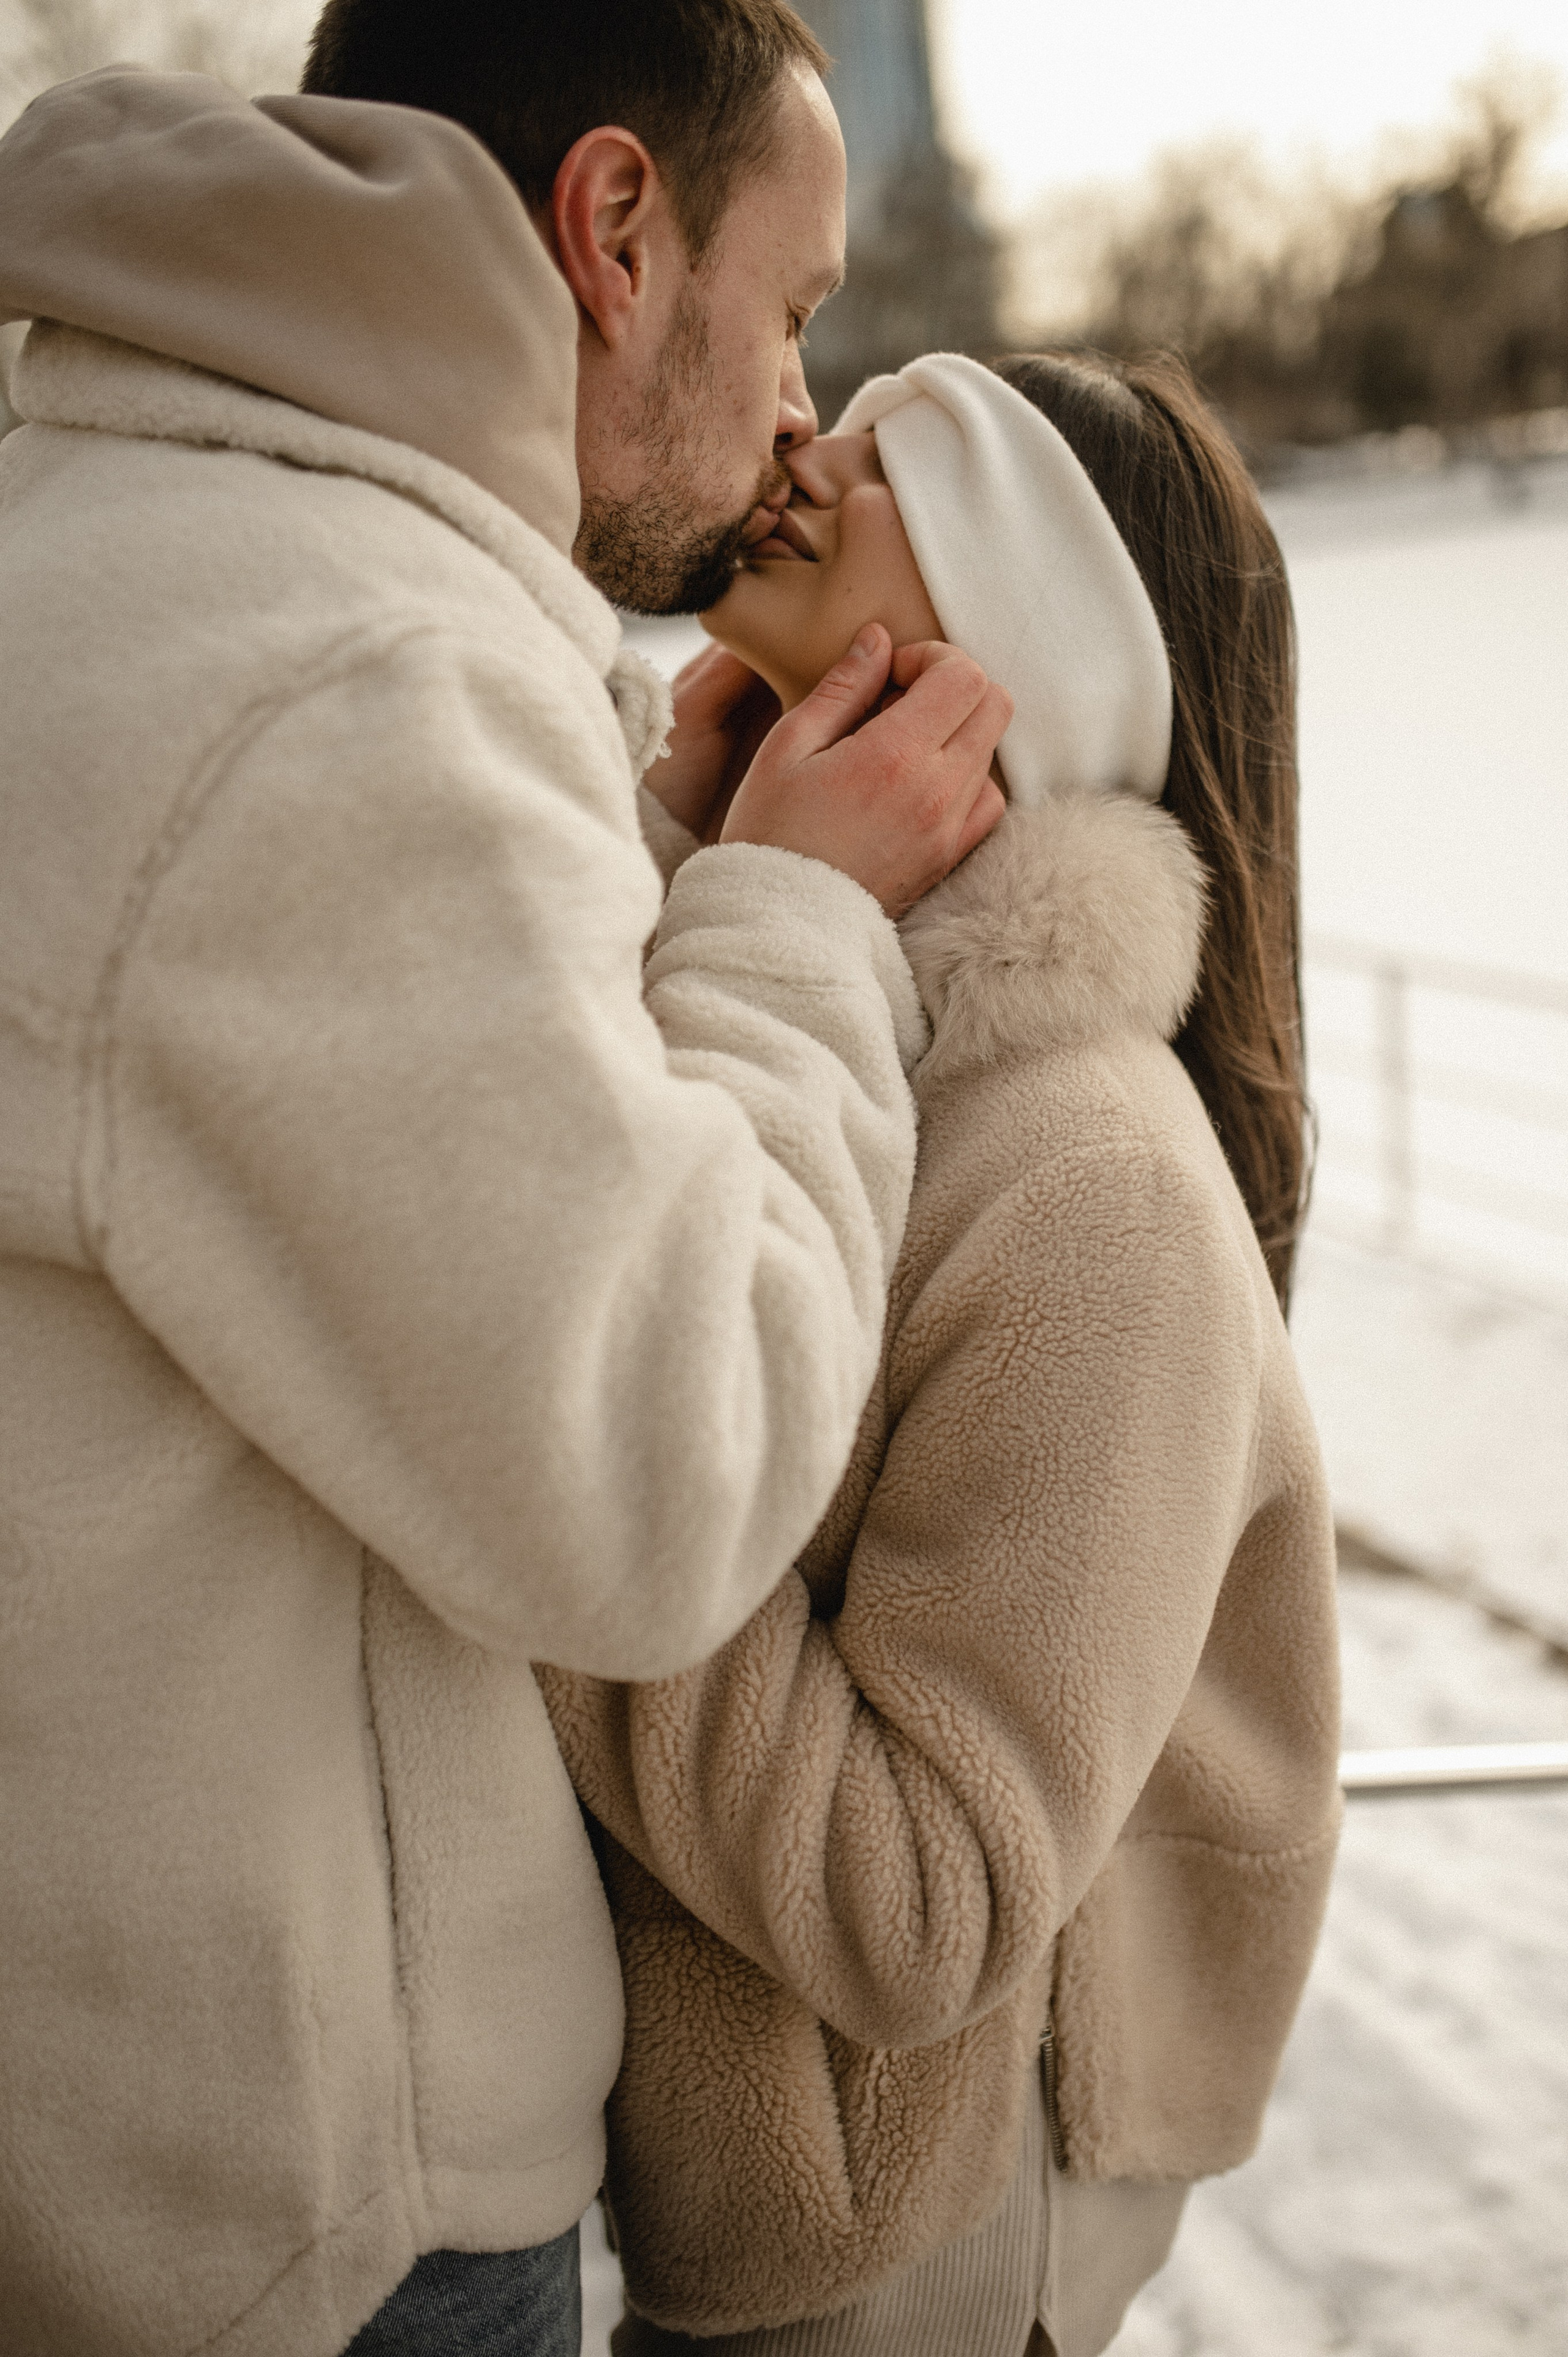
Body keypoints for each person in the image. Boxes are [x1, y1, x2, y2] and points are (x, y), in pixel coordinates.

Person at [0, 4, 1014, 2351]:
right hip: (300, 2232)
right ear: (618, 230)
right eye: (794, 307)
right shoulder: (344, 672)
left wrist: (656, 852)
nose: (802, 412)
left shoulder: (143, 531)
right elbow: (666, 1473)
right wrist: (803, 913)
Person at [540, 351, 1344, 2357]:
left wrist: (552, 1488)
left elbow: (927, 1899)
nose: (802, 451)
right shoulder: (859, 1042)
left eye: (909, 465)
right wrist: (699, 857)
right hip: (772, 2227)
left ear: (1029, 633)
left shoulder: (1088, 1175)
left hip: (929, 2245)